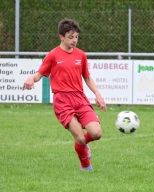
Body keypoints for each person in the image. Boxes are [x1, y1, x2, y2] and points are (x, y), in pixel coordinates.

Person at [23, 18, 107, 171]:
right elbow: (39, 74)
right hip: (62, 100)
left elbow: (87, 77)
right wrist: (31, 78)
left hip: (79, 98)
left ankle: (84, 147)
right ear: (61, 37)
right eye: (71, 37)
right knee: (80, 138)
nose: (74, 40)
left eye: (76, 37)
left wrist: (98, 94)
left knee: (97, 133)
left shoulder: (81, 55)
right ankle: (85, 166)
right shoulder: (53, 55)